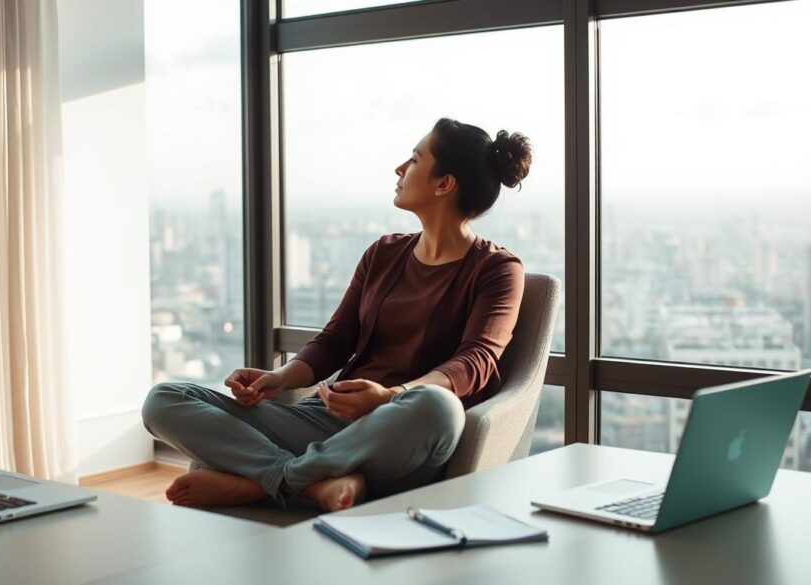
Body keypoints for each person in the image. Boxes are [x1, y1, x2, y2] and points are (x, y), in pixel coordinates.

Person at [142, 117, 531, 512]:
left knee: (438, 406)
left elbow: (476, 361)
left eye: (414, 160)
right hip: (328, 420)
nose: (400, 169)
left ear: (443, 183)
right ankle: (309, 483)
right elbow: (334, 341)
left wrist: (389, 398)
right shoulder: (383, 253)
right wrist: (278, 379)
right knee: (164, 400)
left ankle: (264, 484)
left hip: (400, 434)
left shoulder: (497, 269)